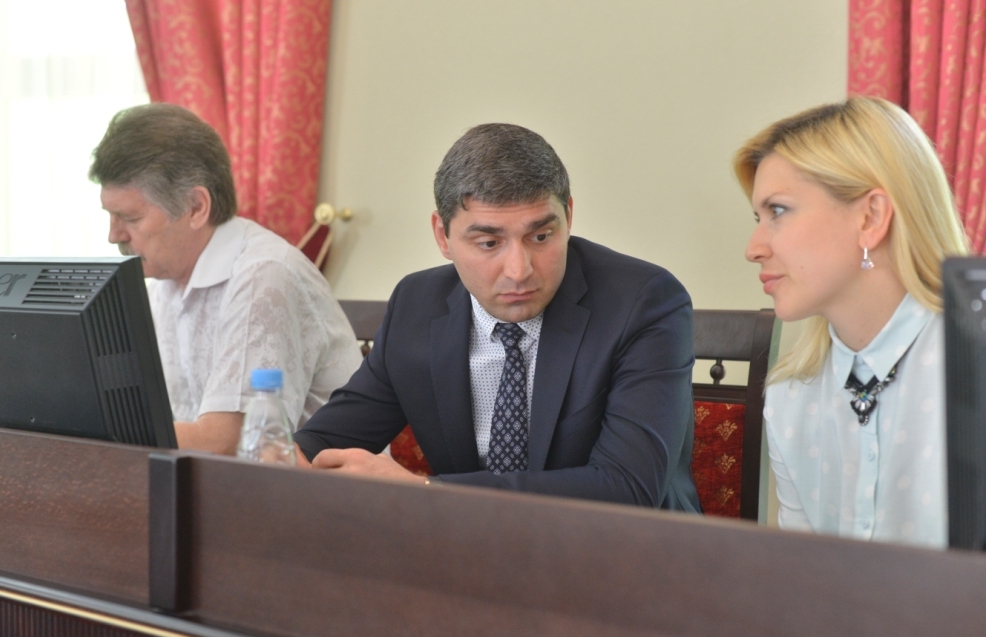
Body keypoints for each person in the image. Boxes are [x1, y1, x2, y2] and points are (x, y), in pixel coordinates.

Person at [294, 123, 701, 509]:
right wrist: (286, 459)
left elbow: (628, 488)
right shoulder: (417, 306)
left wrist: (427, 494)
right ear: (442, 236)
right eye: (489, 243)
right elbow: (321, 443)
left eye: (540, 236)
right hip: (466, 549)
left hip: (623, 550)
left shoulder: (643, 303)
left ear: (568, 217)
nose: (519, 270)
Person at [735, 97, 969, 547]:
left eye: (778, 211)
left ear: (871, 217)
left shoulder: (972, 367)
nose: (753, 248)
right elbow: (806, 578)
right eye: (758, 217)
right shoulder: (790, 397)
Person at [89, 103, 363, 455]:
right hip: (212, 483)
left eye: (130, 218)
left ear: (196, 207)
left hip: (322, 486)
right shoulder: (162, 285)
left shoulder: (264, 276)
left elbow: (227, 444)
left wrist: (92, 431)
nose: (114, 235)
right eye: (110, 216)